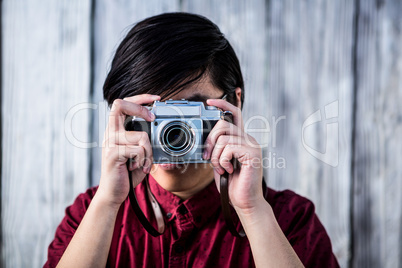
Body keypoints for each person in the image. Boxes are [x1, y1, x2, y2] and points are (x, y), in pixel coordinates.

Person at [44, 12, 339, 268]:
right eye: (153, 113)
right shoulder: (89, 215)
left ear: (233, 104)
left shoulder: (291, 221)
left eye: (190, 111)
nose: (172, 131)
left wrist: (253, 212)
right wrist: (108, 203)